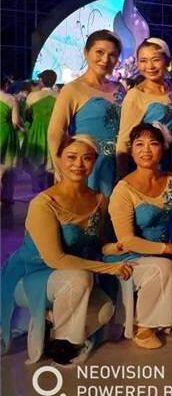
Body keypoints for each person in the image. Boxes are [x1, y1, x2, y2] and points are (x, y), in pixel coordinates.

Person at [1, 135, 134, 364]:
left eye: (87, 158)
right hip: (30, 275)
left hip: (70, 274)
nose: (78, 164)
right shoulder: (43, 203)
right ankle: (63, 345)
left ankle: (52, 323)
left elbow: (98, 242)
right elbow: (56, 259)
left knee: (105, 310)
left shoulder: (99, 200)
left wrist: (115, 247)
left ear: (94, 161)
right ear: (59, 159)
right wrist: (107, 268)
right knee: (81, 278)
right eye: (71, 157)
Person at [105, 123, 172, 348]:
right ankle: (144, 327)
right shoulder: (123, 190)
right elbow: (127, 240)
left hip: (163, 254)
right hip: (129, 255)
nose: (146, 150)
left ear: (163, 149)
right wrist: (171, 248)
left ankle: (146, 315)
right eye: (139, 144)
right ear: (131, 150)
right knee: (163, 267)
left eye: (153, 144)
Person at [48, 30, 126, 197]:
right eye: (99, 52)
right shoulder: (72, 89)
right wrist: (60, 169)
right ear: (86, 52)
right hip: (88, 168)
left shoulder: (119, 89)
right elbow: (55, 133)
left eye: (112, 55)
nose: (105, 59)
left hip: (120, 165)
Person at [117, 38, 172, 176]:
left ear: (167, 61)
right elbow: (124, 139)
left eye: (155, 60)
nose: (150, 66)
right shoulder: (136, 95)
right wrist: (121, 175)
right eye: (143, 61)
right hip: (149, 167)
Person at [21, 69, 58, 185]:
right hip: (54, 130)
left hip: (37, 130)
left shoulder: (33, 96)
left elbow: (27, 116)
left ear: (41, 81)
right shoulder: (59, 96)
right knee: (52, 161)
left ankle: (38, 188)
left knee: (36, 160)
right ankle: (50, 187)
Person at [0, 79, 24, 203]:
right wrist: (22, 128)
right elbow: (15, 121)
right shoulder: (11, 99)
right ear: (5, 85)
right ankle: (7, 197)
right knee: (7, 167)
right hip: (5, 133)